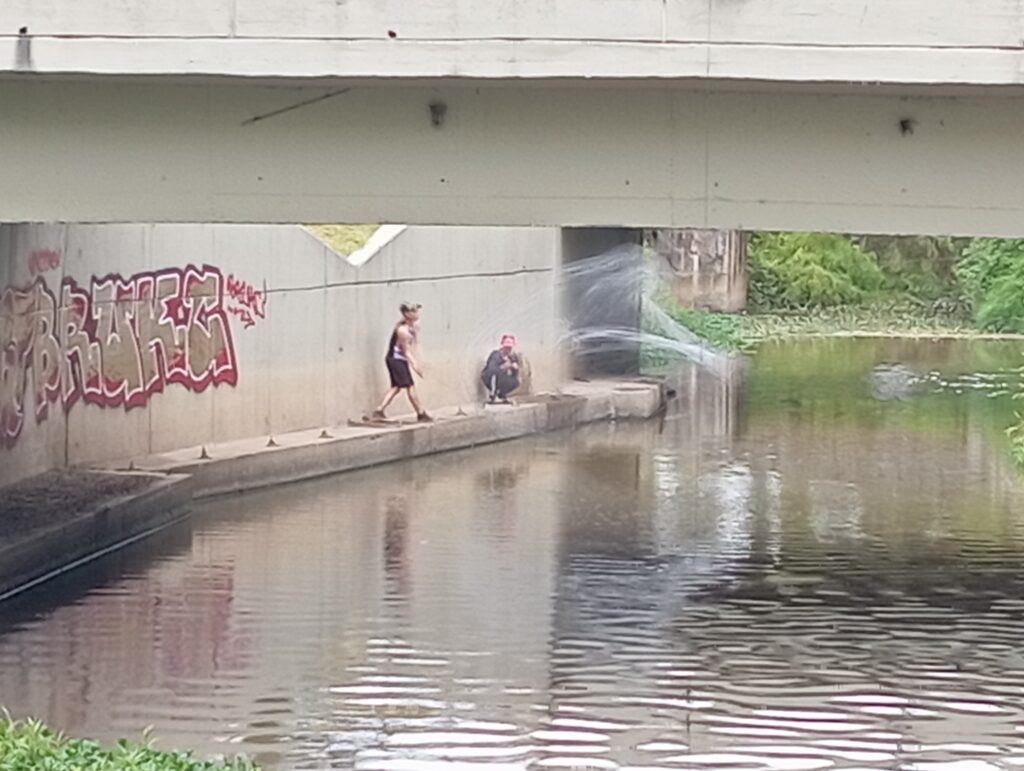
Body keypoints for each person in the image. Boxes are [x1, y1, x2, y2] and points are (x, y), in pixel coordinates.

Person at [373, 302, 432, 422]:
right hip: (396, 360)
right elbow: (406, 351)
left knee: (397, 387)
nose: (416, 313)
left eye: (416, 310)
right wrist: (415, 366)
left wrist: (420, 360)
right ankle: (420, 413)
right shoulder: (402, 331)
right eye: (413, 311)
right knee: (410, 386)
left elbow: (414, 345)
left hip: (399, 359)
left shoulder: (413, 327)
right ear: (406, 313)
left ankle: (379, 410)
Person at [481, 334, 521, 403]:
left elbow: (514, 374)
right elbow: (491, 369)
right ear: (503, 346)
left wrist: (514, 369)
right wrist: (503, 367)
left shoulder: (513, 357)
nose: (508, 349)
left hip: (503, 378)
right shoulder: (496, 355)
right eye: (506, 347)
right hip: (490, 378)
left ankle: (502, 394)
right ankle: (493, 395)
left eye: (509, 348)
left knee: (515, 382)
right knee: (494, 374)